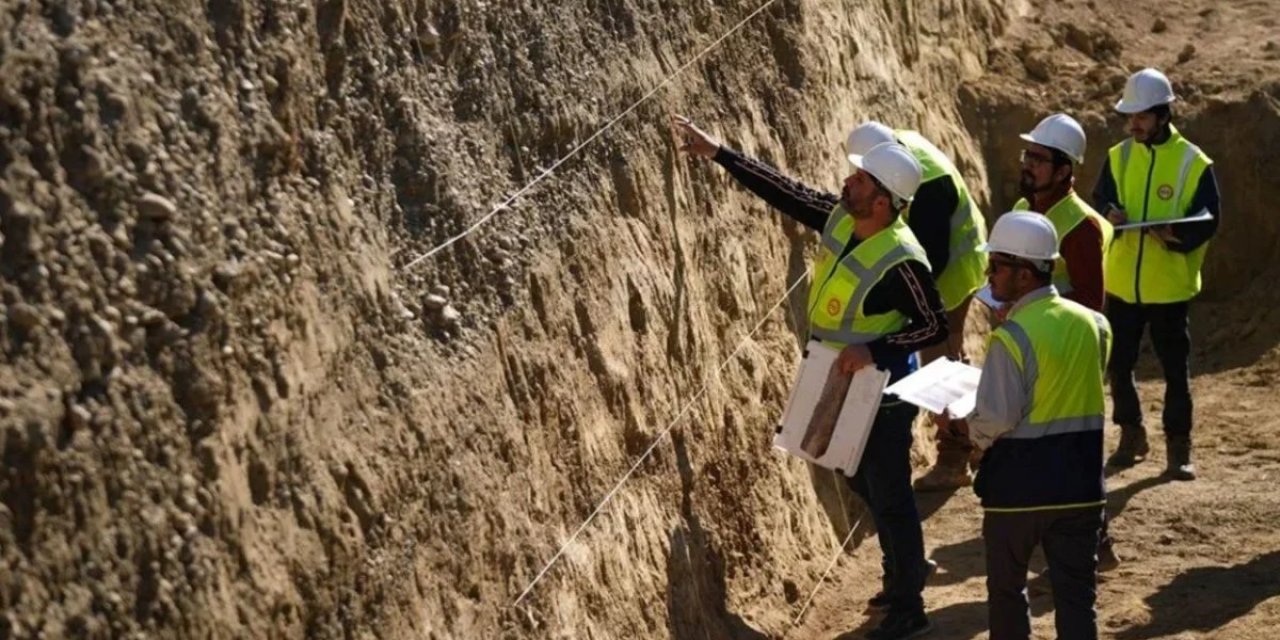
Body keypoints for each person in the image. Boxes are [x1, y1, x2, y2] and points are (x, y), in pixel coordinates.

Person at [674, 114, 945, 640]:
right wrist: (721, 153)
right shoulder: (843, 218)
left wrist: (875, 349)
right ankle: (902, 569)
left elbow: (932, 324)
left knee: (889, 494)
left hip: (882, 393)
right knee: (848, 472)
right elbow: (786, 191)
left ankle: (909, 608)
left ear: (884, 201)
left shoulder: (903, 261)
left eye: (861, 180)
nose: (848, 182)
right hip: (835, 376)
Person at [957, 212, 1111, 640]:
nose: (990, 275)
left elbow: (997, 419)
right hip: (1081, 489)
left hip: (1017, 493)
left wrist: (966, 429)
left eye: (997, 266)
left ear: (1024, 275)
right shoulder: (1095, 325)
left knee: (1007, 595)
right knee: (1078, 598)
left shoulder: (1012, 337)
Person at [844, 122, 988, 493]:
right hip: (948, 259)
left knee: (940, 365)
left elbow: (932, 259)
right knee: (947, 361)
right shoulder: (898, 152)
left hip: (954, 269)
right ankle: (982, 442)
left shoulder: (928, 185)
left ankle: (956, 457)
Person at [1092, 68, 1220, 480]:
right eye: (1131, 117)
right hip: (1124, 282)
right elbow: (1101, 196)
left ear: (1163, 115)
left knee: (1174, 371)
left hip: (1169, 287)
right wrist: (1111, 211)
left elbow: (1209, 220)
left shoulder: (1193, 162)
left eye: (1142, 116)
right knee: (1120, 364)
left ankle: (1178, 449)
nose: (1134, 124)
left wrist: (1174, 235)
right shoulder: (1119, 155)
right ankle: (1132, 436)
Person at [1010, 113, 1113, 312]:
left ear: (1062, 172)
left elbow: (1089, 301)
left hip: (1056, 334)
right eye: (1028, 155)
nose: (1027, 165)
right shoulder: (1022, 207)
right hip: (1025, 325)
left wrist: (1029, 305)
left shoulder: (1081, 226)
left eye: (1038, 160)